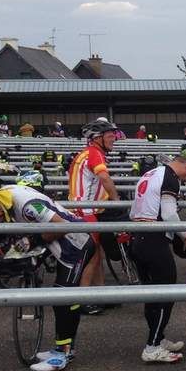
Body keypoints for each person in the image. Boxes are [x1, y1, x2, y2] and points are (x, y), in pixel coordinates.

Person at [0, 186, 95, 371]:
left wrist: (32, 241)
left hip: (76, 243)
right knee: (62, 298)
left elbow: (62, 226)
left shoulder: (27, 206)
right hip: (58, 246)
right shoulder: (1, 196)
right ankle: (65, 348)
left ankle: (63, 353)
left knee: (63, 298)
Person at [128, 149, 186, 363]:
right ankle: (152, 347)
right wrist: (185, 234)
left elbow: (134, 210)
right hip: (154, 240)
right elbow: (169, 213)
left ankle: (158, 338)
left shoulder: (151, 173)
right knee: (166, 293)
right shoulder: (171, 179)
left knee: (153, 295)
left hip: (139, 237)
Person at [69, 118, 121, 313]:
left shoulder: (91, 153)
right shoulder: (94, 153)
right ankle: (83, 300)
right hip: (85, 210)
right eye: (110, 136)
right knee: (92, 257)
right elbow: (105, 177)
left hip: (87, 209)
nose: (113, 139)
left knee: (98, 254)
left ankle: (100, 295)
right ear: (97, 138)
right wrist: (116, 200)